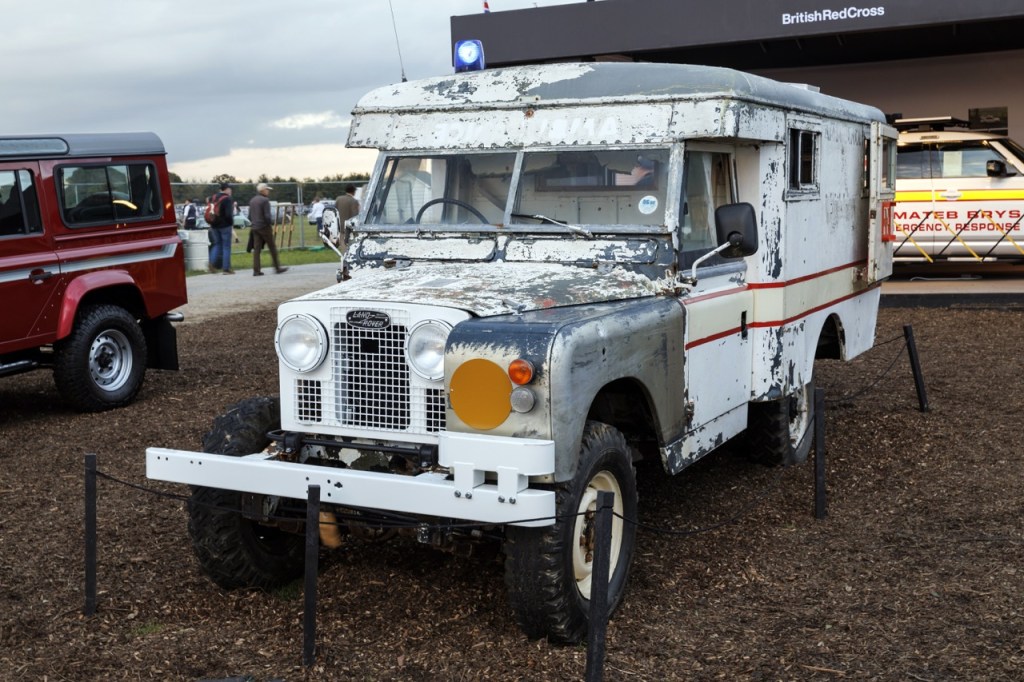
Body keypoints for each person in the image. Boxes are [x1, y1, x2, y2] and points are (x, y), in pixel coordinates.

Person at [248, 182, 288, 276]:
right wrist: (269, 223)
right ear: (263, 190)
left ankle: (256, 270)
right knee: (272, 247)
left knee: (257, 249)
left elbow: (250, 216)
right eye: (267, 189)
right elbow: (267, 216)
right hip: (264, 227)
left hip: (255, 227)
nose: (268, 191)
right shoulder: (265, 201)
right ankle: (277, 267)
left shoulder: (252, 200)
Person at [208, 182, 235, 274]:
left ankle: (211, 264)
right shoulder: (227, 199)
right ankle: (226, 269)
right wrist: (231, 223)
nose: (231, 190)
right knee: (226, 247)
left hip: (214, 225)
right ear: (226, 189)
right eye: (230, 189)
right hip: (225, 226)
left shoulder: (213, 197)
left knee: (217, 244)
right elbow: (228, 215)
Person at [333, 184, 360, 248]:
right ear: (353, 191)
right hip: (350, 228)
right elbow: (355, 215)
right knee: (351, 246)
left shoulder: (338, 199)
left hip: (340, 227)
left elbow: (334, 211)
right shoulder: (354, 201)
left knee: (343, 245)